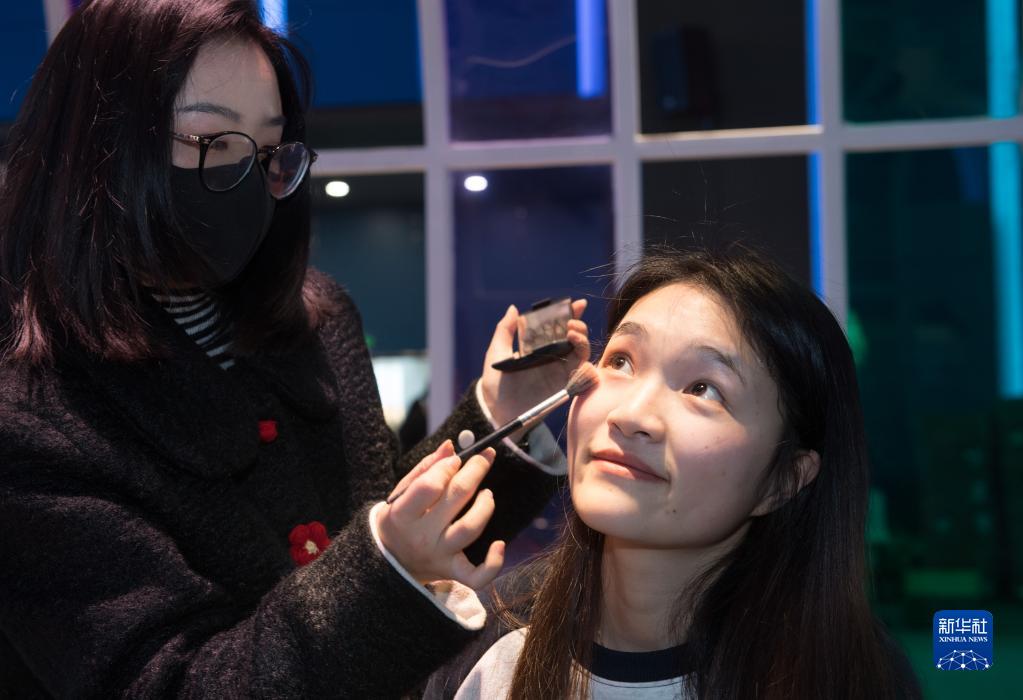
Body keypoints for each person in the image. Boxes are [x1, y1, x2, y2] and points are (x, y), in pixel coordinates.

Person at [0, 1, 590, 697]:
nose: (247, 179)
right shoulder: (32, 413)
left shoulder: (316, 318)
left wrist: (501, 415)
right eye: (210, 140)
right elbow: (167, 681)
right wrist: (386, 572)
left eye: (268, 150)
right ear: (95, 147)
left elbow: (380, 520)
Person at [425, 246, 922, 699]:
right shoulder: (481, 642)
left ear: (784, 480)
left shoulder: (850, 677)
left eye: (703, 389)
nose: (630, 415)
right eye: (621, 361)